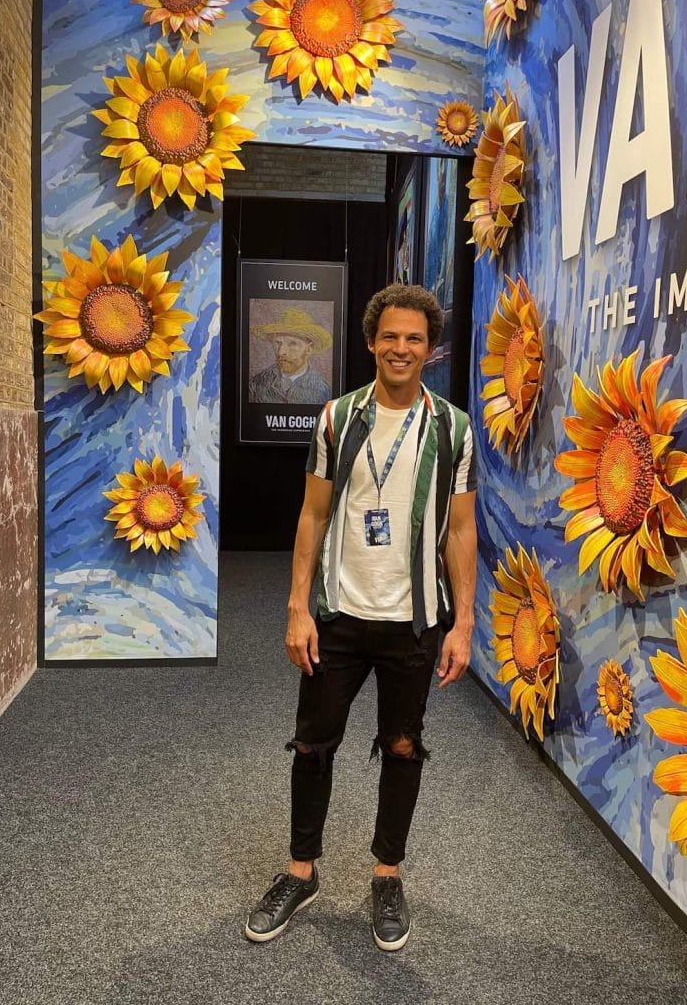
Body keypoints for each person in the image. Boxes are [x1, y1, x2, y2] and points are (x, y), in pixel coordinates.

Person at [245, 284, 477, 951]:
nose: (401, 348)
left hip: (413, 623)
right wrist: (297, 607)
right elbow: (313, 515)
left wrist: (462, 623)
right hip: (338, 616)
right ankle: (300, 871)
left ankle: (386, 875)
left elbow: (460, 531)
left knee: (404, 748)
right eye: (391, 337)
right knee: (312, 744)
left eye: (415, 339)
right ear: (371, 342)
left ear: (429, 350)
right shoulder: (337, 420)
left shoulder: (453, 429)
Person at [248, 307, 332, 404]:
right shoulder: (256, 383)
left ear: (309, 349)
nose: (281, 352)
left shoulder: (322, 390)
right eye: (277, 343)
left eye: (292, 344)